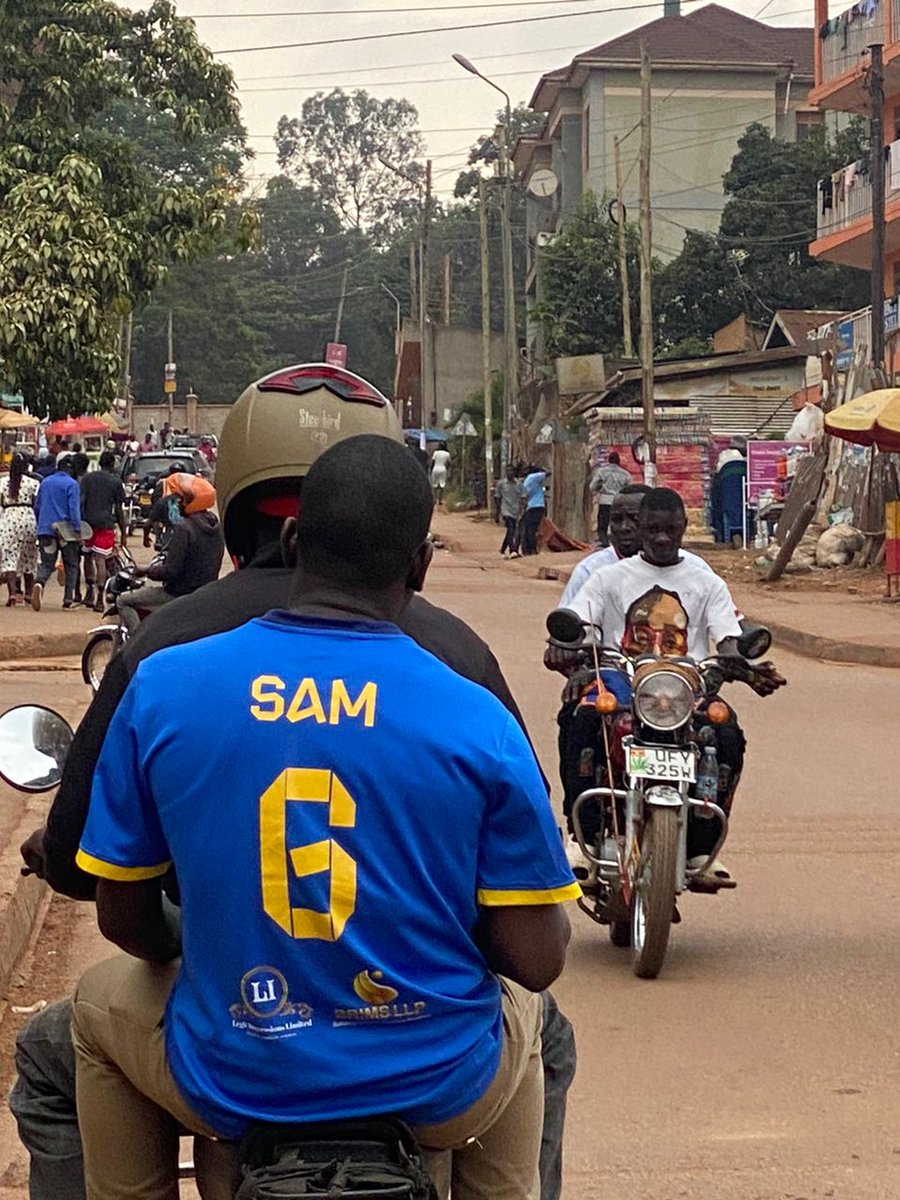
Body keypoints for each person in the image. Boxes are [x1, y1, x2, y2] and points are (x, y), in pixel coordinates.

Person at [15, 365, 577, 1200]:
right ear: (420, 567)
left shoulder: (166, 678)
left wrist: (211, 947)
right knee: (538, 1033)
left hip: (235, 1080)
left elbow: (124, 916)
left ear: (291, 544)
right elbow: (535, 958)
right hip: (437, 1092)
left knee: (86, 1027)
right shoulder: (470, 703)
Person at [553, 487, 784, 881]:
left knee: (725, 734)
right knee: (582, 719)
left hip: (686, 683)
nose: (661, 538)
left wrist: (735, 658)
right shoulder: (608, 579)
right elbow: (578, 620)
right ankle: (585, 837)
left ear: (683, 529)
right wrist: (567, 638)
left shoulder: (705, 581)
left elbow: (727, 635)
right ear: (640, 530)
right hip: (621, 677)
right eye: (653, 529)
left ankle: (700, 846)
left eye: (671, 530)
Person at [116, 474, 222, 635]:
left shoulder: (185, 528)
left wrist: (146, 571)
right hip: (203, 593)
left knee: (123, 600)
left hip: (178, 593)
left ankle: (136, 645)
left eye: (182, 499)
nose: (178, 502)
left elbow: (171, 571)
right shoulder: (216, 527)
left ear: (192, 501)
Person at [31, 457, 82, 611]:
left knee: (47, 563)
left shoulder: (45, 482)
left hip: (46, 530)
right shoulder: (72, 484)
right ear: (72, 470)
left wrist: (42, 523)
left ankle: (39, 582)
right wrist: (77, 529)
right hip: (66, 532)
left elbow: (37, 506)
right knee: (71, 564)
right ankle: (68, 600)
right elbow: (73, 509)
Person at [80, 450, 128, 612]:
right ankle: (100, 598)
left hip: (88, 524)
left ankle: (89, 591)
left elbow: (81, 502)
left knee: (87, 557)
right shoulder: (115, 482)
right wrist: (123, 532)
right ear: (113, 464)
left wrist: (79, 523)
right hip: (106, 524)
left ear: (100, 463)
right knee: (101, 559)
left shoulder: (88, 479)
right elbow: (119, 510)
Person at [0, 453, 39, 606]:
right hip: (28, 518)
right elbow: (37, 504)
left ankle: (13, 594)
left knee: (10, 557)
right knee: (29, 556)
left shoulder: (2, 483)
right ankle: (29, 594)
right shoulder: (33, 483)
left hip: (9, 518)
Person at [589, 451, 632, 547]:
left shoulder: (602, 472)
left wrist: (600, 487)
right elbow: (629, 489)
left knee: (602, 524)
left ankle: (604, 542)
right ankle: (618, 541)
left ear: (609, 460)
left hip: (605, 500)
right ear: (619, 461)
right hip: (619, 501)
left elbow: (592, 487)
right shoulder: (625, 474)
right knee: (618, 522)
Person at [495, 466, 523, 557]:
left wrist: (523, 509)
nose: (509, 473)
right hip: (505, 510)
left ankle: (503, 549)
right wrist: (497, 513)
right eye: (508, 471)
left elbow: (523, 497)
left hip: (515, 511)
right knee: (510, 529)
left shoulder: (519, 484)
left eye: (511, 471)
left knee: (511, 531)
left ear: (514, 472)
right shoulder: (501, 484)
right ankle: (512, 550)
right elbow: (498, 498)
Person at [520, 465, 548, 556]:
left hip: (530, 506)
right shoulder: (534, 477)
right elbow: (548, 473)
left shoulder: (526, 481)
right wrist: (539, 468)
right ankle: (532, 549)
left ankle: (528, 549)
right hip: (537, 506)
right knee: (532, 529)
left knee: (529, 529)